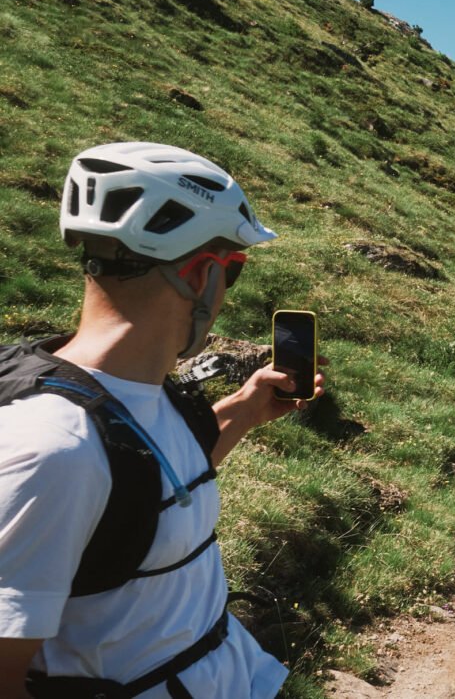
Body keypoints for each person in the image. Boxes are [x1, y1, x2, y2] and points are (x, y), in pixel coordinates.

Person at [0, 142, 325, 698]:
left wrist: (244, 411)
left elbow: (143, 491)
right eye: (234, 270)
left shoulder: (138, 397)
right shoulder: (54, 451)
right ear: (201, 276)